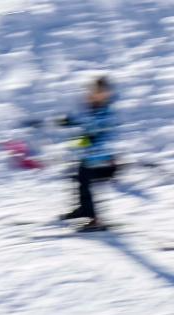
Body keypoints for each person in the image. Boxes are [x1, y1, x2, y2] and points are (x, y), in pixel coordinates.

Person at [59, 76, 118, 232]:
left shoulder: (106, 112)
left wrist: (81, 132)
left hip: (103, 159)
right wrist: (70, 123)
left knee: (86, 183)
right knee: (80, 181)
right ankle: (83, 209)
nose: (94, 94)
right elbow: (85, 130)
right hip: (91, 156)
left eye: (99, 92)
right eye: (93, 91)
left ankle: (94, 219)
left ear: (106, 93)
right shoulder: (94, 108)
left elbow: (96, 131)